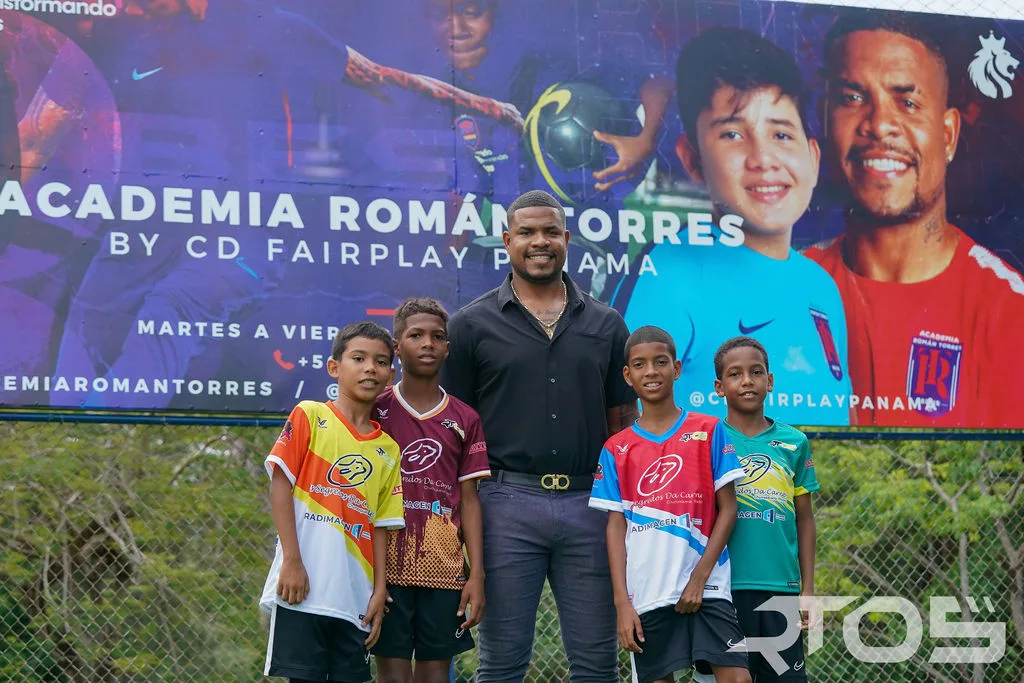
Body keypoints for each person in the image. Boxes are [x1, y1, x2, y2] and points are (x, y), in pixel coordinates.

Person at [442, 189, 637, 682]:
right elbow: (455, 431)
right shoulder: (470, 325)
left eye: (550, 231)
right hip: (504, 503)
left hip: (590, 503)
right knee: (503, 662)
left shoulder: (607, 324)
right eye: (526, 233)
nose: (539, 242)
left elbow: (623, 421)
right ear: (507, 240)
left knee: (597, 664)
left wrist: (628, 507)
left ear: (567, 239)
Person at [623, 27, 852, 427]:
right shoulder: (673, 268)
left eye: (781, 133)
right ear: (692, 160)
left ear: (813, 157)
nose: (763, 158)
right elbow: (629, 423)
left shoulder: (822, 286)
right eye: (732, 133)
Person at [805, 13, 1024, 428]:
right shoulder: (787, 289)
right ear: (825, 116)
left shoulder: (1010, 315)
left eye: (907, 102)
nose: (879, 124)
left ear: (948, 136)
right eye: (853, 98)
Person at [589, 325, 750, 683]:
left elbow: (729, 509)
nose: (651, 371)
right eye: (640, 364)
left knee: (738, 677)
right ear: (627, 375)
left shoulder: (708, 430)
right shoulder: (617, 448)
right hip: (647, 594)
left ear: (676, 369)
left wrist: (699, 577)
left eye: (660, 362)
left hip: (709, 589)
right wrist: (622, 605)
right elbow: (616, 528)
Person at [259, 321, 405, 683]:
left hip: (355, 598)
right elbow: (280, 486)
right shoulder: (310, 415)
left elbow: (382, 525)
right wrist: (291, 562)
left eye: (381, 361)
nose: (370, 367)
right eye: (359, 358)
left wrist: (379, 591)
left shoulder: (388, 449)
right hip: (303, 590)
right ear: (335, 367)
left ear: (390, 374)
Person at [372, 298, 491, 683]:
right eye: (416, 335)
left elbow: (470, 500)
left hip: (444, 569)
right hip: (384, 567)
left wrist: (477, 575)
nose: (427, 344)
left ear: (447, 348)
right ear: (396, 346)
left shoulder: (464, 418)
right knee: (391, 672)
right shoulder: (375, 409)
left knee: (437, 673)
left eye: (437, 337)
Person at [713, 336, 818, 681]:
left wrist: (808, 590)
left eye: (756, 372)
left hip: (781, 591)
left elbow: (805, 519)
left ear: (770, 381)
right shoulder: (708, 441)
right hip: (723, 591)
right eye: (735, 374)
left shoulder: (794, 442)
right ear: (719, 387)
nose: (747, 381)